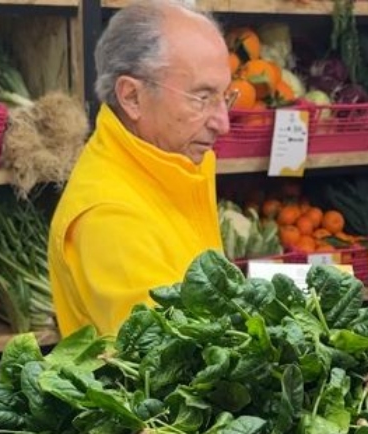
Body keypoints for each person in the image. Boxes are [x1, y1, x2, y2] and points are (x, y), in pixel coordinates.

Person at [49, 0, 234, 335]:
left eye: (225, 96)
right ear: (132, 97)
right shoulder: (109, 218)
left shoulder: (170, 163)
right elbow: (173, 360)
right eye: (201, 97)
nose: (224, 123)